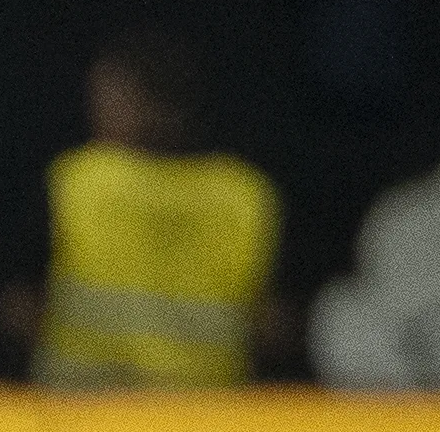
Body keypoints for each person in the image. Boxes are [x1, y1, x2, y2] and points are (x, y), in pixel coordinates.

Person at [17, 26, 280, 387]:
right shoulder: (244, 193)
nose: (96, 111)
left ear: (150, 102)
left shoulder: (81, 179)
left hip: (82, 416)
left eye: (107, 97)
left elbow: (20, 308)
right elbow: (272, 324)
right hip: (207, 423)